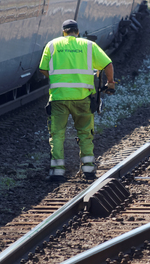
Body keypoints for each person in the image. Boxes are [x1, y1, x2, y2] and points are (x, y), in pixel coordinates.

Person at [39, 19, 115, 182]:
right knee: (85, 133)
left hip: (59, 98)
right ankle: (88, 170)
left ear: (63, 32)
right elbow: (107, 64)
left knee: (57, 135)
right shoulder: (88, 45)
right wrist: (111, 82)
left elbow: (43, 68)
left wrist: (57, 78)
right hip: (83, 98)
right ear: (77, 32)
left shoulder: (52, 45)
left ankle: (57, 172)